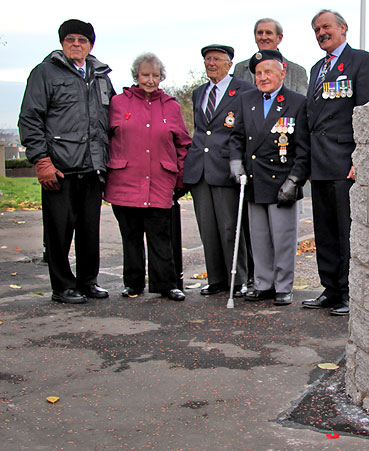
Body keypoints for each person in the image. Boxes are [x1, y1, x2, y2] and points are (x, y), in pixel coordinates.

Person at [18, 19, 115, 304]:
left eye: (82, 40)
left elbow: (108, 121)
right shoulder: (44, 73)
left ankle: (88, 281)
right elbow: (30, 118)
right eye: (70, 39)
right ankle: (62, 286)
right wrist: (41, 160)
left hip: (92, 166)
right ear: (62, 43)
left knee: (89, 230)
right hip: (59, 168)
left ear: (90, 45)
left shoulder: (100, 76)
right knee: (59, 231)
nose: (76, 44)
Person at [301, 10, 369, 316]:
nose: (322, 32)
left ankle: (349, 292)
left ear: (343, 29)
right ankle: (331, 288)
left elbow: (368, 112)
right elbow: (312, 118)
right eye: (317, 29)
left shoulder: (362, 61)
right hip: (320, 163)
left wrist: (361, 158)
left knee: (346, 231)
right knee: (324, 231)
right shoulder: (316, 69)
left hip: (345, 161)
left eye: (326, 27)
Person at [104, 53, 191, 302]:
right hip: (125, 180)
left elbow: (183, 144)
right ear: (136, 76)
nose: (150, 80)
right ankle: (132, 284)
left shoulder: (171, 106)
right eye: (145, 75)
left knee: (160, 236)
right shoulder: (119, 103)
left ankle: (166, 284)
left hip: (160, 182)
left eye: (155, 75)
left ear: (161, 77)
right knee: (130, 236)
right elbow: (106, 138)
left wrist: (181, 178)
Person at [229, 50, 310, 305]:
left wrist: (295, 180)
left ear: (282, 73)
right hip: (254, 179)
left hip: (282, 181)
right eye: (259, 73)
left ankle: (283, 286)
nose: (263, 77)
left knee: (283, 239)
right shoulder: (246, 100)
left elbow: (304, 149)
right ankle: (264, 284)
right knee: (259, 238)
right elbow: (237, 137)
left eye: (268, 72)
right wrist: (235, 165)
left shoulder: (296, 102)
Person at [183, 44, 254, 297]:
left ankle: (238, 280)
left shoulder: (244, 90)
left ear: (229, 63)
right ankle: (216, 280)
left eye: (216, 59)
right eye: (207, 59)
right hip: (200, 168)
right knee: (208, 229)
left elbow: (245, 129)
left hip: (227, 167)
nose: (211, 63)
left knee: (229, 228)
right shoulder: (199, 92)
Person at [233, 18, 308, 95]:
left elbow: (303, 102)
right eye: (260, 33)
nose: (264, 37)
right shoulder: (240, 68)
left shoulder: (297, 71)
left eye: (268, 33)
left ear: (279, 38)